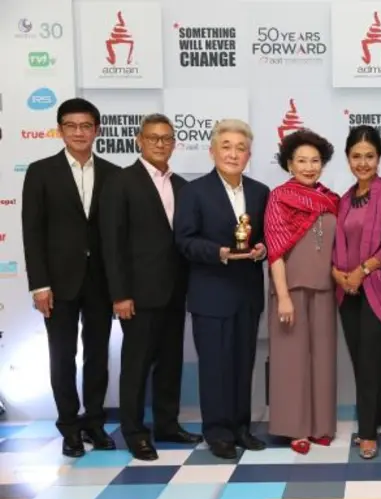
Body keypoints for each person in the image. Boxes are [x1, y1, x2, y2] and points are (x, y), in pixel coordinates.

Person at [100, 114, 202, 461]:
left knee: (170, 363)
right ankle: (134, 432)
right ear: (139, 141)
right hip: (137, 295)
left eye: (166, 138)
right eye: (153, 137)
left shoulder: (183, 186)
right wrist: (120, 294)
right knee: (136, 366)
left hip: (175, 290)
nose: (160, 144)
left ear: (174, 143)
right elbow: (112, 243)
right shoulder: (120, 182)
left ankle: (167, 425)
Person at [21, 98, 119, 457]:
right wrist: (39, 284)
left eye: (86, 126)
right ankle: (69, 427)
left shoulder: (113, 173)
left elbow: (116, 234)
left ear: (97, 130)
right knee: (62, 356)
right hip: (58, 283)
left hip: (100, 281)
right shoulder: (40, 172)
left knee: (97, 355)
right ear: (60, 130)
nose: (79, 132)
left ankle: (94, 422)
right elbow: (32, 232)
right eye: (71, 126)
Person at [174, 119, 269, 460]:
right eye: (226, 146)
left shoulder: (260, 192)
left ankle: (241, 428)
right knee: (215, 367)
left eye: (240, 148)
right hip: (211, 294)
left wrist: (262, 249)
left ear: (249, 155)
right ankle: (217, 432)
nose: (233, 154)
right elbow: (184, 240)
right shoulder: (193, 191)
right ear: (212, 151)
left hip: (248, 294)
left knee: (243, 365)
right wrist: (219, 252)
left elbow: (265, 236)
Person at [332, 125, 381, 459]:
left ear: (379, 158)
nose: (363, 163)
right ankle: (379, 412)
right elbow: (335, 244)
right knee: (360, 360)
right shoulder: (344, 199)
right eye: (356, 156)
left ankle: (367, 433)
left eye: (369, 156)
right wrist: (337, 274)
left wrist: (362, 271)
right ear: (348, 158)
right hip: (347, 291)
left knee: (371, 361)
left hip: (379, 289)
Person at [265, 129, 340, 455]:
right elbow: (275, 251)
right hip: (290, 290)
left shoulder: (332, 199)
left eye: (315, 161)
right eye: (302, 161)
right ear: (289, 164)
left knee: (323, 360)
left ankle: (321, 426)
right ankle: (295, 429)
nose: (309, 167)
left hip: (325, 289)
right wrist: (282, 296)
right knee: (291, 361)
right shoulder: (279, 197)